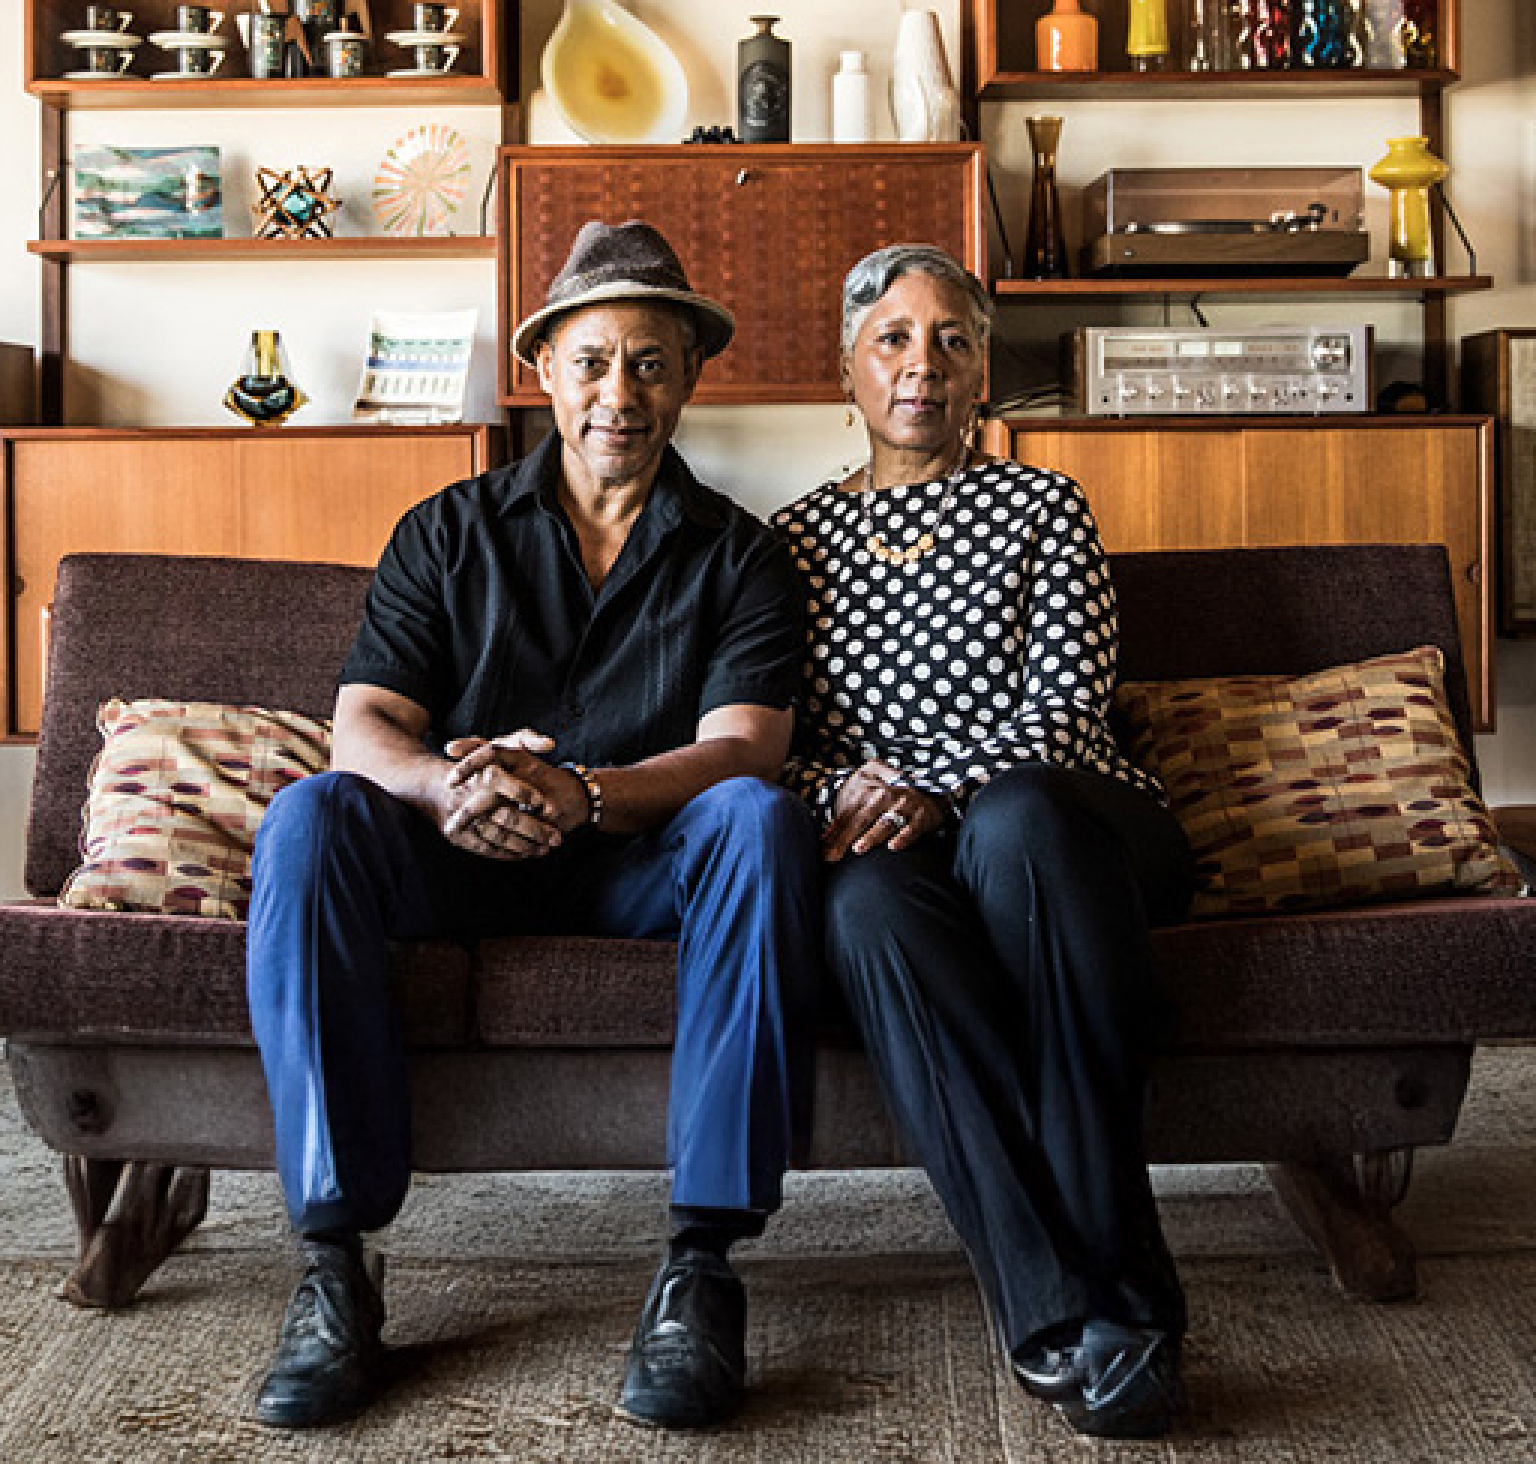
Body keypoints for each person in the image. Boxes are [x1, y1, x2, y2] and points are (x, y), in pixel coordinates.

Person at [245, 220, 820, 1432]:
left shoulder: (743, 556)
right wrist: (445, 789)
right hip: (452, 857)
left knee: (760, 820)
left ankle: (701, 1270)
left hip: (635, 866)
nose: (624, 393)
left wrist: (590, 794)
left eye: (654, 363)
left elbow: (741, 745)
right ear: (546, 368)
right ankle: (333, 1268)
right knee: (309, 814)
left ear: (692, 378)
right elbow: (365, 725)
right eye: (597, 360)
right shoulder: (444, 532)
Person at [772, 243, 1194, 1440]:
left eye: (952, 339)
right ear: (845, 368)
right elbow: (766, 742)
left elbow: (1064, 705)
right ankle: (1050, 1307)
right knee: (861, 910)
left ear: (981, 375)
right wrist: (848, 796)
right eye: (893, 338)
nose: (922, 363)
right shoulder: (786, 544)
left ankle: (1129, 1281)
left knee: (1013, 821)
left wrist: (938, 795)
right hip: (894, 852)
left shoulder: (1041, 502)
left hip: (1072, 829)